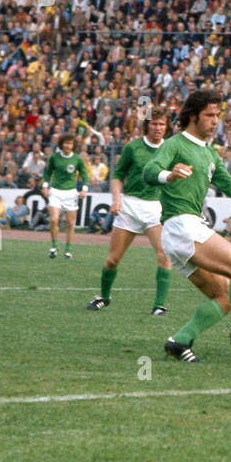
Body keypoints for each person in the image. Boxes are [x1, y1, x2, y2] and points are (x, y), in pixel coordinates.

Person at [143, 89, 231, 363]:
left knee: (226, 296)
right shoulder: (175, 144)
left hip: (179, 234)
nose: (215, 120)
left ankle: (180, 340)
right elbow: (149, 171)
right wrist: (168, 175)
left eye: (217, 115)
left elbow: (230, 185)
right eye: (209, 115)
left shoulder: (209, 153)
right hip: (182, 225)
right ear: (192, 116)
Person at [87, 111, 173, 316]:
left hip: (156, 208)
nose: (158, 128)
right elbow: (117, 175)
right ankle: (104, 297)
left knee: (164, 256)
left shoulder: (171, 149)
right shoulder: (133, 147)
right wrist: (116, 199)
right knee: (112, 260)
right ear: (147, 126)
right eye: (154, 124)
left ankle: (159, 305)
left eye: (162, 124)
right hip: (130, 205)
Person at [41, 134, 88, 259]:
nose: (68, 145)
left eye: (70, 143)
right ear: (61, 144)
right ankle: (54, 246)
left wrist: (84, 189)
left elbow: (85, 174)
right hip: (55, 192)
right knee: (54, 219)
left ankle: (68, 250)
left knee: (70, 223)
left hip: (70, 193)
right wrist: (45, 186)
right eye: (66, 143)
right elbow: (47, 173)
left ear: (73, 146)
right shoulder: (54, 158)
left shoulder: (77, 159)